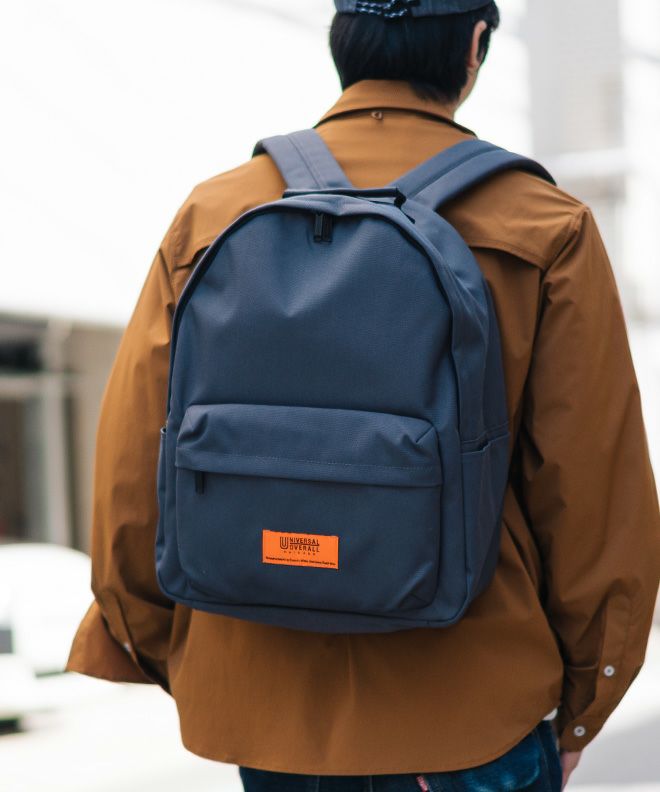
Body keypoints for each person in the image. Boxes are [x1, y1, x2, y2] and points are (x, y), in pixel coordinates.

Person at [66, 1, 660, 790]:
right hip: (470, 710)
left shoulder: (214, 213)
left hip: (265, 711)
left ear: (342, 42)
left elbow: (134, 465)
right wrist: (586, 698)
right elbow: (593, 494)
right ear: (474, 46)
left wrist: (175, 647)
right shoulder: (544, 225)